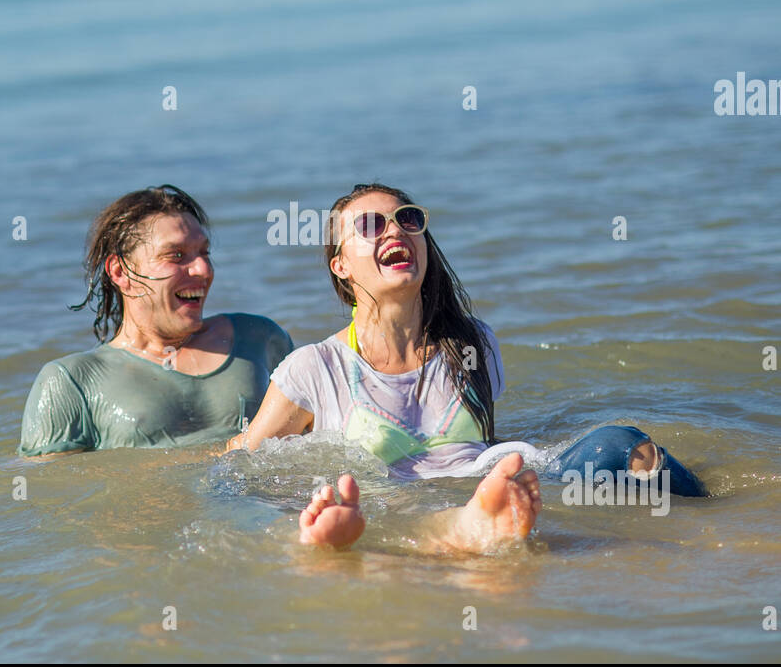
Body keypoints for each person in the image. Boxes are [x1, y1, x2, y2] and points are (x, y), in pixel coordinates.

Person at [227, 183, 706, 552]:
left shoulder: (471, 343)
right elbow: (245, 463)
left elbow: (486, 443)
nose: (395, 231)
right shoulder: (314, 368)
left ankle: (724, 530)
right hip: (406, 511)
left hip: (487, 486)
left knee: (625, 445)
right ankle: (462, 534)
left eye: (407, 220)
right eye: (371, 225)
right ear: (341, 267)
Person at [19, 185, 293, 456]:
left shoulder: (260, 339)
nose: (204, 269)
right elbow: (52, 493)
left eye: (204, 253)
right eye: (176, 255)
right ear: (120, 272)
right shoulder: (71, 382)